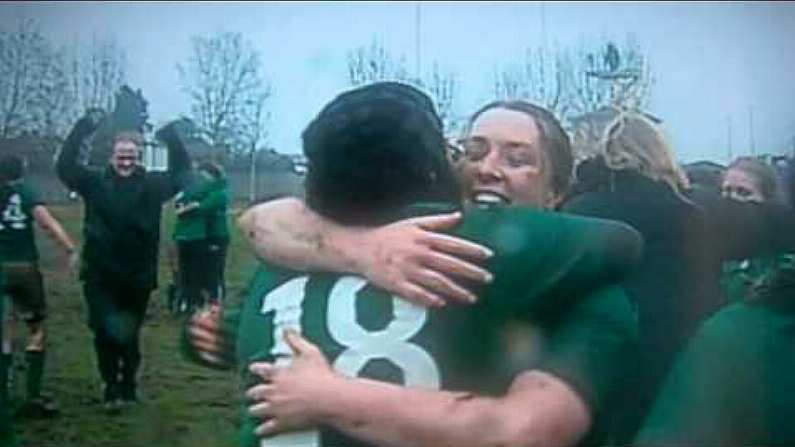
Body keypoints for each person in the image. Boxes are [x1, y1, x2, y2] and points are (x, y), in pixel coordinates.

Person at [193, 88, 641, 447]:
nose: (487, 168)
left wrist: (328, 397)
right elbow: (252, 310)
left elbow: (525, 432)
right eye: (474, 150)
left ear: (557, 188)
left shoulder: (589, 293)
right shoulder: (327, 254)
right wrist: (362, 248)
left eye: (517, 158)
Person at [563, 107, 795, 442]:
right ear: (661, 154)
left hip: (593, 380)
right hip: (682, 379)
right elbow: (777, 226)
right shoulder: (696, 212)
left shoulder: (576, 213)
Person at [56, 109, 190, 413]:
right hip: (100, 274)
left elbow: (182, 173)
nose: (126, 162)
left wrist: (171, 136)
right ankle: (110, 387)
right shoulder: (93, 183)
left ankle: (127, 384)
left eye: (131, 157)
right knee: (103, 331)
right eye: (121, 157)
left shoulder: (153, 186)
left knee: (128, 333)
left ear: (139, 157)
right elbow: (65, 166)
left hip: (137, 275)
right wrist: (83, 127)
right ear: (112, 157)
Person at [0, 154, 78, 417]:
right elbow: (47, 223)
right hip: (24, 268)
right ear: (21, 170)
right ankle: (32, 396)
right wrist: (69, 248)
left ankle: (4, 393)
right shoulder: (25, 191)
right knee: (36, 328)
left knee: (5, 329)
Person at [719, 156, 793, 302]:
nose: (733, 199)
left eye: (744, 193)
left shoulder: (781, 255)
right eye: (727, 191)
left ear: (767, 199)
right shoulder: (709, 242)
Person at [172, 160, 230, 313]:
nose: (201, 179)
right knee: (200, 269)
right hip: (205, 235)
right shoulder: (204, 189)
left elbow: (202, 208)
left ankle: (215, 300)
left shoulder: (219, 192)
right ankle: (195, 300)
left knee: (214, 270)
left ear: (212, 176)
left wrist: (190, 206)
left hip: (218, 235)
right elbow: (183, 199)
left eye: (204, 176)